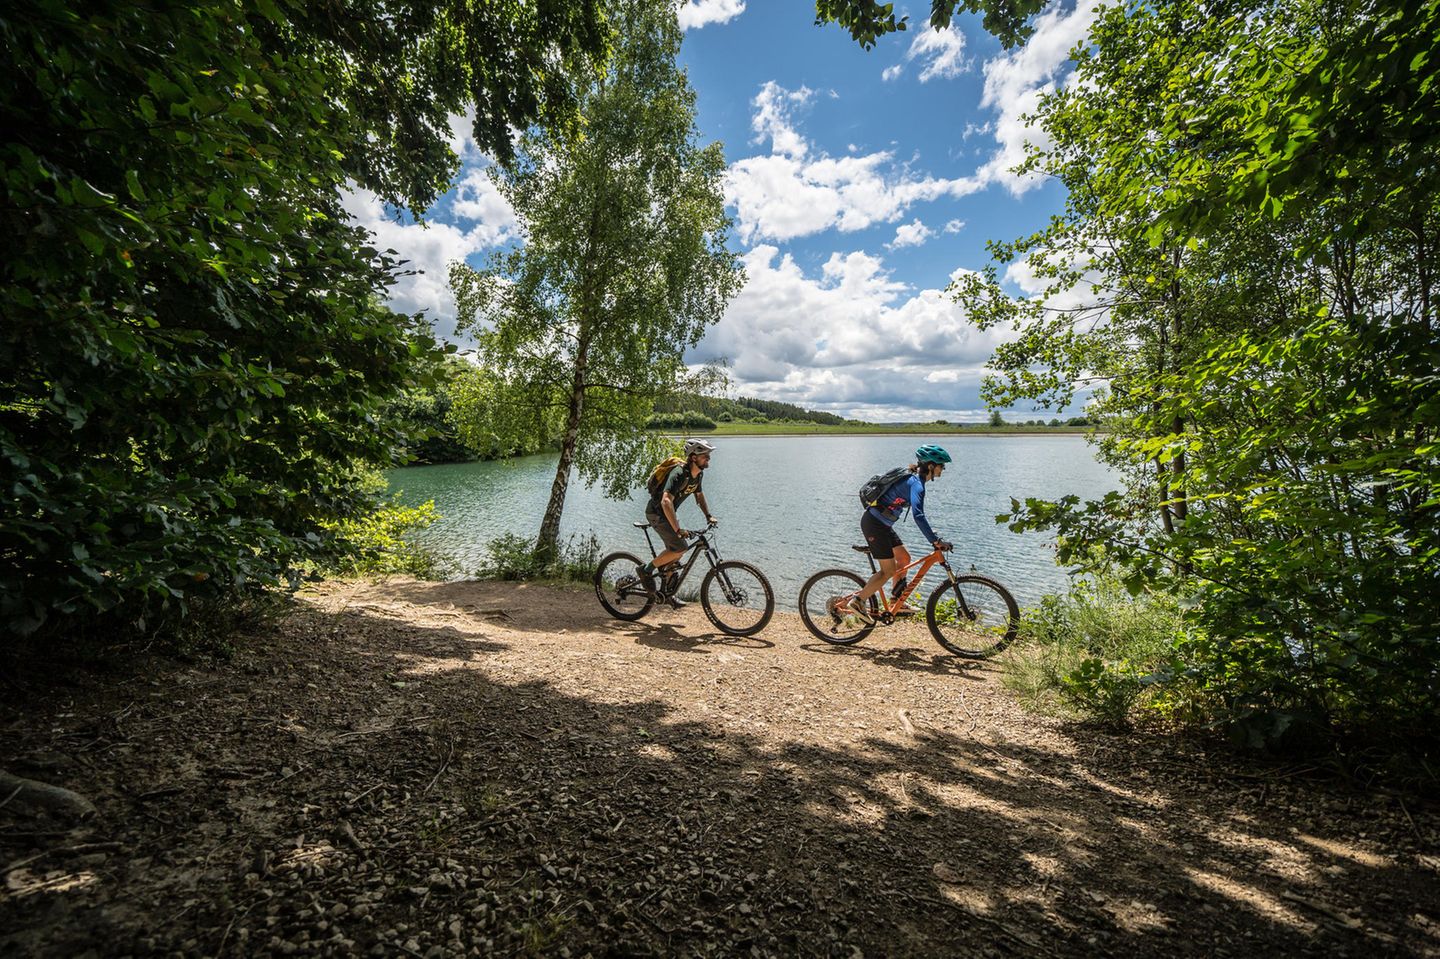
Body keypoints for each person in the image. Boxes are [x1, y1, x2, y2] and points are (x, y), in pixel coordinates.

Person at [845, 444, 953, 624]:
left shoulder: (915, 479)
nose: (943, 469)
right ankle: (858, 601)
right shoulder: (916, 484)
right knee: (887, 571)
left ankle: (897, 601)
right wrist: (935, 541)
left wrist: (933, 538)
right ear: (931, 466)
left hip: (882, 525)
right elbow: (918, 516)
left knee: (904, 558)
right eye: (942, 465)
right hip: (874, 525)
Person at [637, 438, 718, 607]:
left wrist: (708, 516)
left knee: (676, 555)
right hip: (656, 514)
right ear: (694, 457)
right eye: (705, 455)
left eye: (708, 455)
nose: (708, 458)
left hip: (667, 515)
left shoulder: (698, 474)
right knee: (680, 548)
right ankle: (646, 570)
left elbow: (699, 495)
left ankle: (666, 594)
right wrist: (678, 529)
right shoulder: (679, 473)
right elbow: (666, 501)